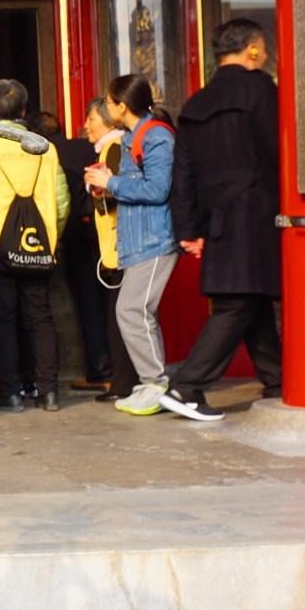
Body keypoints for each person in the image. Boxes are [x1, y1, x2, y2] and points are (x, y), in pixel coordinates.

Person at [158, 16, 282, 422]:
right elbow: (277, 151)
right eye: (263, 47)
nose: (266, 54)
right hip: (258, 213)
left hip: (220, 219)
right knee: (238, 302)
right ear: (252, 49)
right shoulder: (261, 90)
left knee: (251, 298)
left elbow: (183, 175)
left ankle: (277, 379)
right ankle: (187, 386)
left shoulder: (196, 103)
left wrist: (188, 228)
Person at [0, 76, 69, 412]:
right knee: (40, 317)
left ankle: (12, 392)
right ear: (24, 110)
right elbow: (61, 204)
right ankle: (48, 392)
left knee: (2, 319)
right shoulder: (46, 149)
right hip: (37, 246)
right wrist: (49, 238)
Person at [85, 74, 177, 415]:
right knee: (132, 311)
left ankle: (157, 384)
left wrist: (112, 182)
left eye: (109, 102)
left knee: (133, 310)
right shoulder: (131, 137)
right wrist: (106, 184)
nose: (106, 107)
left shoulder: (156, 137)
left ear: (122, 106)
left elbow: (157, 189)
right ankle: (151, 383)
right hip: (137, 240)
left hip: (154, 238)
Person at [29, 106, 110, 394]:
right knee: (110, 301)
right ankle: (117, 370)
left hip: (76, 235)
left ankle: (100, 371)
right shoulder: (89, 147)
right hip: (105, 231)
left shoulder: (44, 154)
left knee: (89, 303)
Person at [84, 97, 139, 405]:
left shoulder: (114, 148)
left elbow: (116, 193)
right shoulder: (111, 148)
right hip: (115, 247)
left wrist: (97, 187)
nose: (86, 126)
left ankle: (124, 383)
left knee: (121, 316)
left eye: (91, 119)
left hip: (120, 246)